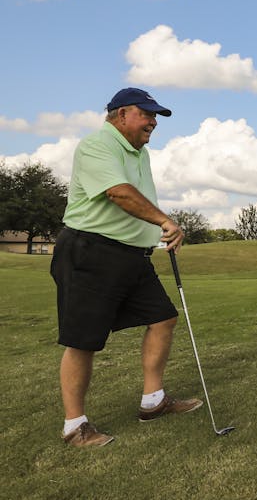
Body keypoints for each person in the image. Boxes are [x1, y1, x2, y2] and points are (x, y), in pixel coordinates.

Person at [50, 88, 202, 448]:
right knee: (82, 340)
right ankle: (75, 426)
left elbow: (136, 199)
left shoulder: (140, 153)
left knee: (163, 318)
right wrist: (165, 221)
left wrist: (155, 230)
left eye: (155, 117)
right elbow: (117, 193)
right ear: (120, 115)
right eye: (146, 114)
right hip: (91, 251)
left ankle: (153, 402)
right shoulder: (96, 146)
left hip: (132, 256)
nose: (152, 122)